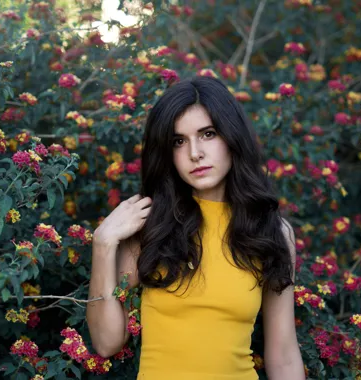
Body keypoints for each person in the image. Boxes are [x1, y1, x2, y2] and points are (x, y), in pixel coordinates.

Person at [86, 76, 305, 380]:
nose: (194, 153)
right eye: (179, 141)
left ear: (232, 137)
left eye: (208, 134)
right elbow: (107, 342)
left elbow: (283, 354)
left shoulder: (270, 231)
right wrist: (103, 243)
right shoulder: (151, 228)